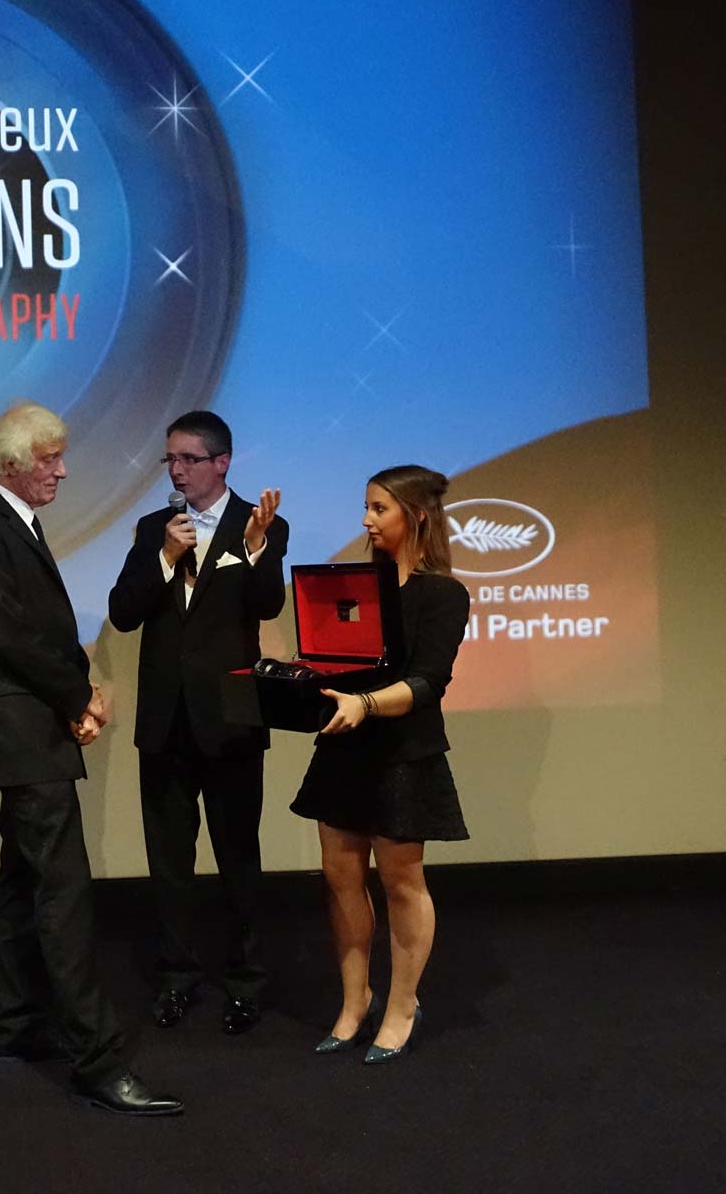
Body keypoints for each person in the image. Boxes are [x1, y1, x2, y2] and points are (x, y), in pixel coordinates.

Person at [0, 401, 183, 1117]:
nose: (62, 471)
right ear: (13, 464)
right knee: (64, 893)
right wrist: (80, 696)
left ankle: (17, 1024)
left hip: (31, 726)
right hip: (20, 732)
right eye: (49, 459)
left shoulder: (14, 522)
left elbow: (36, 629)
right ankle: (97, 1061)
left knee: (24, 882)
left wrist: (79, 695)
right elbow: (9, 636)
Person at [107, 411, 287, 1036]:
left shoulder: (259, 523)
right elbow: (123, 613)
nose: (176, 470)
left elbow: (267, 604)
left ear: (221, 462)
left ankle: (245, 981)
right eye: (170, 460)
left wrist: (257, 548)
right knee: (169, 861)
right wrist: (164, 556)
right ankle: (177, 978)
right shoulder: (154, 528)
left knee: (238, 856)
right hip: (164, 721)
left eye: (188, 459)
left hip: (230, 718)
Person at [288, 464, 470, 1063]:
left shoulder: (442, 594)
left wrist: (365, 704)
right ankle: (354, 1002)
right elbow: (339, 660)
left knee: (401, 882)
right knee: (340, 878)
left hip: (403, 754)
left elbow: (427, 683)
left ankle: (402, 1006)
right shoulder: (357, 584)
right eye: (366, 507)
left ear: (414, 516)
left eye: (378, 509)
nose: (366, 520)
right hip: (344, 749)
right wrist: (303, 674)